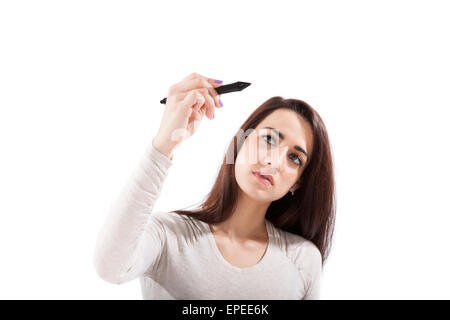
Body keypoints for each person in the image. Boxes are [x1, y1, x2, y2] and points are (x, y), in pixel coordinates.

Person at [93, 72, 336, 300]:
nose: (274, 162)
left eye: (295, 158)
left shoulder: (302, 259)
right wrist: (164, 144)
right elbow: (110, 268)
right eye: (269, 139)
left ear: (298, 182)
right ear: (240, 143)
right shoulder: (169, 236)